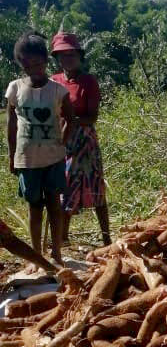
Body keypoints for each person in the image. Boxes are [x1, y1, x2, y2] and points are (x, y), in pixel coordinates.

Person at [5, 31, 73, 266]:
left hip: (53, 158)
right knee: (34, 207)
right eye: (26, 63)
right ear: (20, 63)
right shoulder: (15, 88)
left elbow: (70, 119)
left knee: (54, 204)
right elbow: (11, 124)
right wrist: (11, 155)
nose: (33, 67)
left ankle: (56, 254)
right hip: (27, 159)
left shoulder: (57, 90)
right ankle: (36, 256)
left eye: (37, 62)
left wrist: (62, 142)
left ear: (45, 61)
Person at [50, 32, 111, 246]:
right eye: (62, 55)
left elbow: (92, 116)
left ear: (79, 55)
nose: (67, 59)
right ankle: (62, 239)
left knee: (96, 189)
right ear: (57, 58)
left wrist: (72, 120)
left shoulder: (88, 81)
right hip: (61, 142)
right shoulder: (53, 82)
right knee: (63, 188)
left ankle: (107, 239)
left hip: (85, 141)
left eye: (71, 54)